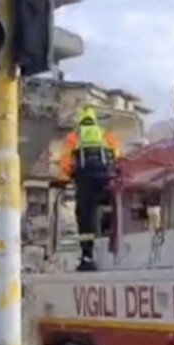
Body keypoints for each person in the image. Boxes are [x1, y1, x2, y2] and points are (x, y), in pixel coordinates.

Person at [56, 105, 123, 271]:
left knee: (85, 219)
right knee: (113, 210)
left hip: (85, 182)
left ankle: (87, 257)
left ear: (79, 121)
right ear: (94, 119)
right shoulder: (106, 134)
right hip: (107, 179)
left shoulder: (73, 137)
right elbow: (118, 155)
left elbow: (65, 163)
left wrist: (65, 180)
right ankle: (113, 240)